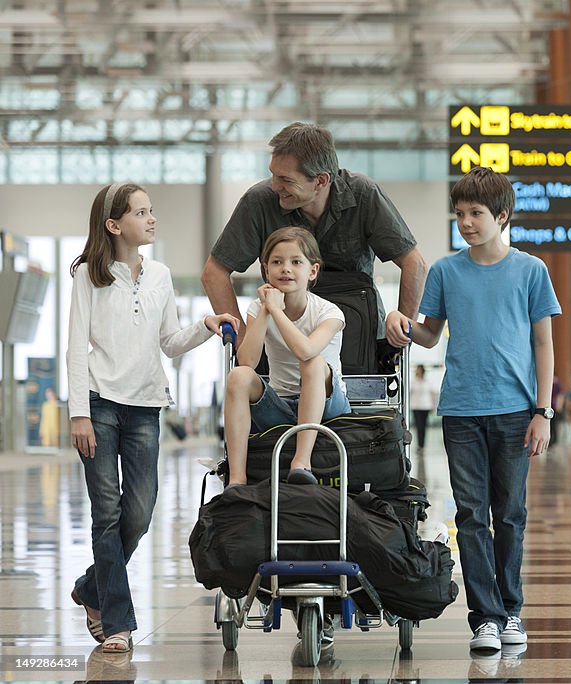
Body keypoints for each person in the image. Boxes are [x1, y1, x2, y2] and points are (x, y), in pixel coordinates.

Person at [385, 166, 561, 652]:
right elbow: (428, 334)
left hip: (514, 411)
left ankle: (512, 612)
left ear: (501, 215)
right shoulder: (445, 271)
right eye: (459, 213)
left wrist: (543, 412)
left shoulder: (531, 271)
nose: (465, 222)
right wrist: (401, 322)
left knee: (510, 514)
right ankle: (485, 616)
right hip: (461, 410)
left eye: (476, 213)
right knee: (470, 515)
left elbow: (543, 345)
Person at [67, 183, 239, 654]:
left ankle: (89, 588)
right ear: (114, 225)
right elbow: (75, 348)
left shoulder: (160, 274)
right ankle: (117, 622)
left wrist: (203, 328)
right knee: (107, 515)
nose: (151, 218)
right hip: (99, 405)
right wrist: (78, 413)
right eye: (141, 212)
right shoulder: (88, 274)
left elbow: (169, 342)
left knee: (138, 514)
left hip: (145, 406)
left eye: (151, 210)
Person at [201, 121, 427, 345]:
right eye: (273, 175)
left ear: (321, 181)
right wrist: (243, 339)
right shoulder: (259, 202)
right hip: (281, 342)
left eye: (285, 180)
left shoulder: (363, 195)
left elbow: (415, 264)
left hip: (357, 338)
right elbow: (214, 273)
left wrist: (402, 331)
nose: (274, 186)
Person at [223, 227, 351, 486]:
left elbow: (305, 351)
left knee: (313, 363)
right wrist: (265, 313)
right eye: (277, 262)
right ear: (265, 270)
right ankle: (237, 477)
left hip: (328, 405)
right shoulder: (258, 309)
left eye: (296, 262)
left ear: (312, 271)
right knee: (238, 376)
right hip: (280, 404)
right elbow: (247, 361)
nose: (286, 269)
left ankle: (301, 462)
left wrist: (275, 310)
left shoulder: (329, 312)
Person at [410, 364, 437, 453]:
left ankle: (422, 445)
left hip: (426, 406)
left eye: (418, 370)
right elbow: (409, 393)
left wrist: (434, 406)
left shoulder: (428, 382)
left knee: (423, 427)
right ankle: (419, 445)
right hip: (416, 406)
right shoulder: (413, 382)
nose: (416, 371)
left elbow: (432, 394)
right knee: (418, 426)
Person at [549, 375, 563, 446]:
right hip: (552, 406)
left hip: (552, 406)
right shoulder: (556, 383)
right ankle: (553, 440)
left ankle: (553, 440)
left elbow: (560, 396)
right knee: (553, 424)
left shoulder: (555, 383)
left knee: (553, 424)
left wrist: (559, 406)